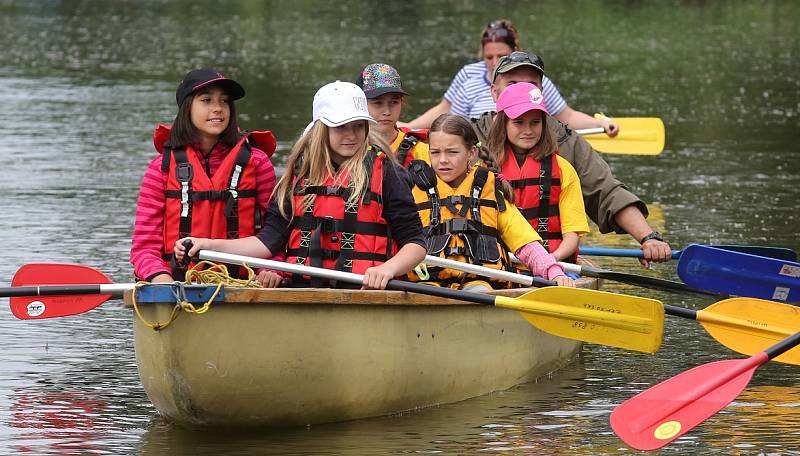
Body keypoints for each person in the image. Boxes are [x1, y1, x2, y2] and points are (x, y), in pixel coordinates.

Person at [176, 81, 427, 290]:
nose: (351, 135)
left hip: (365, 291)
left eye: (358, 126)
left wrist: (387, 269)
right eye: (340, 127)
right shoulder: (298, 176)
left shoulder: (389, 173)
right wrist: (208, 244)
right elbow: (267, 242)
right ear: (321, 129)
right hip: (303, 289)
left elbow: (415, 243)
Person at [473, 52, 672, 266]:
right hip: (484, 261)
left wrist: (647, 237)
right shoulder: (466, 138)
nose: (523, 89)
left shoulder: (564, 141)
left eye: (531, 84)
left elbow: (605, 191)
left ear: (540, 92)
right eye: (512, 83)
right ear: (494, 92)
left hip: (552, 260)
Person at [130, 68, 282, 286]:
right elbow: (144, 247)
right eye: (207, 100)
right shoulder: (160, 168)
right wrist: (161, 279)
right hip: (177, 284)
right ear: (187, 107)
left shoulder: (257, 163)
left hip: (245, 284)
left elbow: (275, 234)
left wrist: (271, 269)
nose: (218, 108)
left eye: (225, 101)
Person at [407, 113, 574, 291]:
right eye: (435, 152)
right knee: (424, 291)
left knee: (480, 289)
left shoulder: (491, 190)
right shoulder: (414, 189)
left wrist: (553, 271)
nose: (443, 160)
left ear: (471, 153)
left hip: (479, 284)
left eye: (452, 152)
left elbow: (525, 242)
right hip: (426, 284)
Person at [402, 19, 618, 136]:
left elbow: (566, 116)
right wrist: (410, 128)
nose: (495, 62)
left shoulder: (534, 79)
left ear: (515, 50)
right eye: (489, 57)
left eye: (502, 56)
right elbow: (446, 113)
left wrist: (600, 123)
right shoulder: (468, 76)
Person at [484, 82, 589, 264]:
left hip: (555, 261)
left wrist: (549, 260)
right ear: (503, 124)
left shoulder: (563, 169)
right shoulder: (484, 169)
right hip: (500, 264)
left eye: (535, 122)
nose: (528, 130)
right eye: (518, 122)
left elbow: (572, 236)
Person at [356, 63, 430, 167]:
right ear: (360, 104)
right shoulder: (349, 148)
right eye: (378, 103)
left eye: (394, 102)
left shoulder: (421, 151)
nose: (387, 111)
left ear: (402, 102)